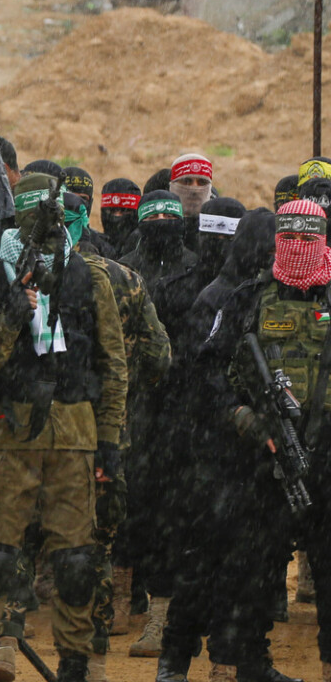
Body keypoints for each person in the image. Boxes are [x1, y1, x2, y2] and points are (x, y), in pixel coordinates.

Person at [0, 172, 127, 682]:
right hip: (9, 433)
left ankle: (73, 675)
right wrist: (14, 312)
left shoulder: (89, 277)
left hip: (73, 433)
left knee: (77, 562)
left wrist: (110, 445)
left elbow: (113, 365)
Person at [210, 199, 331, 682]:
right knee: (241, 567)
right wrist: (249, 422)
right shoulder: (247, 299)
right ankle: (223, 674)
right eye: (291, 239)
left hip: (325, 458)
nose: (300, 249)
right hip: (261, 458)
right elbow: (208, 376)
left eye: (311, 239)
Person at [157, 208, 283, 682]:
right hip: (211, 450)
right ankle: (174, 657)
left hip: (255, 453)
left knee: (256, 565)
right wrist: (234, 416)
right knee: (202, 559)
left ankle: (249, 655)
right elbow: (197, 375)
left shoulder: (267, 298)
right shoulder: (218, 299)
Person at [75, 208, 171, 682]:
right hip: (111, 432)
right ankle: (91, 661)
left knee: (22, 542)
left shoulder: (21, 273)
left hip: (40, 432)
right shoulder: (127, 280)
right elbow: (159, 355)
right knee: (96, 546)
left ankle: (1, 648)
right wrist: (132, 393)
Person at [120, 190, 207, 657]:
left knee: (174, 516)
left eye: (166, 219)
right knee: (132, 506)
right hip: (133, 407)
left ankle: (162, 615)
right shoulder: (124, 267)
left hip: (179, 410)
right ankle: (122, 599)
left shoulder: (196, 271)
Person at [100, 177, 143, 260]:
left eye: (124, 211)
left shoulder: (144, 246)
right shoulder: (95, 244)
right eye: (112, 211)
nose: (117, 216)